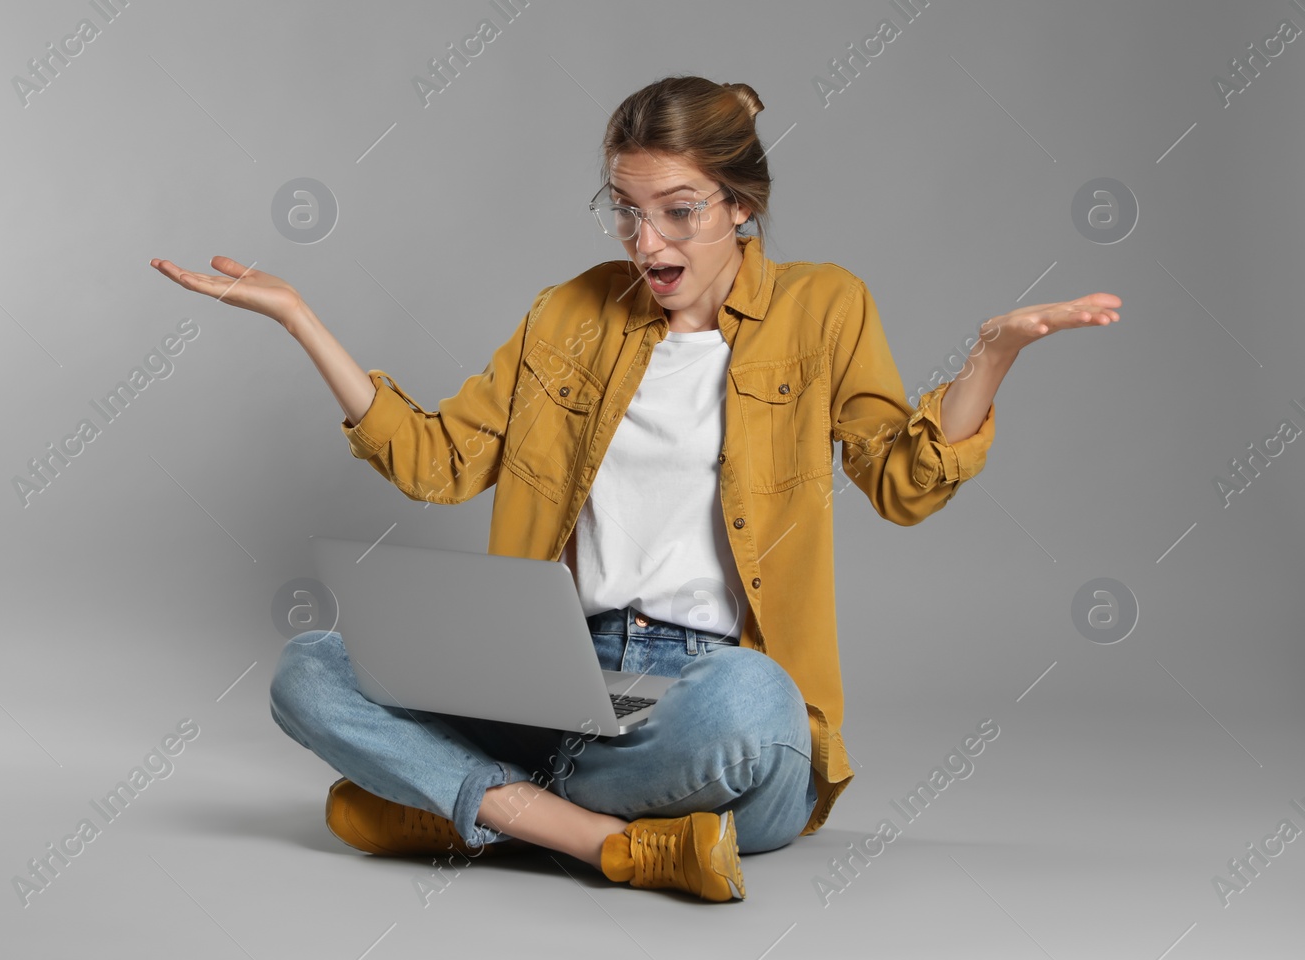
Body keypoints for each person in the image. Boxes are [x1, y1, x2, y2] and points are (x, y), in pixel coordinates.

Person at [151, 75, 1121, 903]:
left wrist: (989, 357)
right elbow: (438, 459)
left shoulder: (824, 307)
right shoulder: (569, 312)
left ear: (741, 205)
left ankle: (466, 806)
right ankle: (603, 842)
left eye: (677, 210)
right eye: (624, 207)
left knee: (759, 708)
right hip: (551, 678)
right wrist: (299, 319)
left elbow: (904, 482)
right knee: (309, 667)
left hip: (699, 691)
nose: (643, 238)